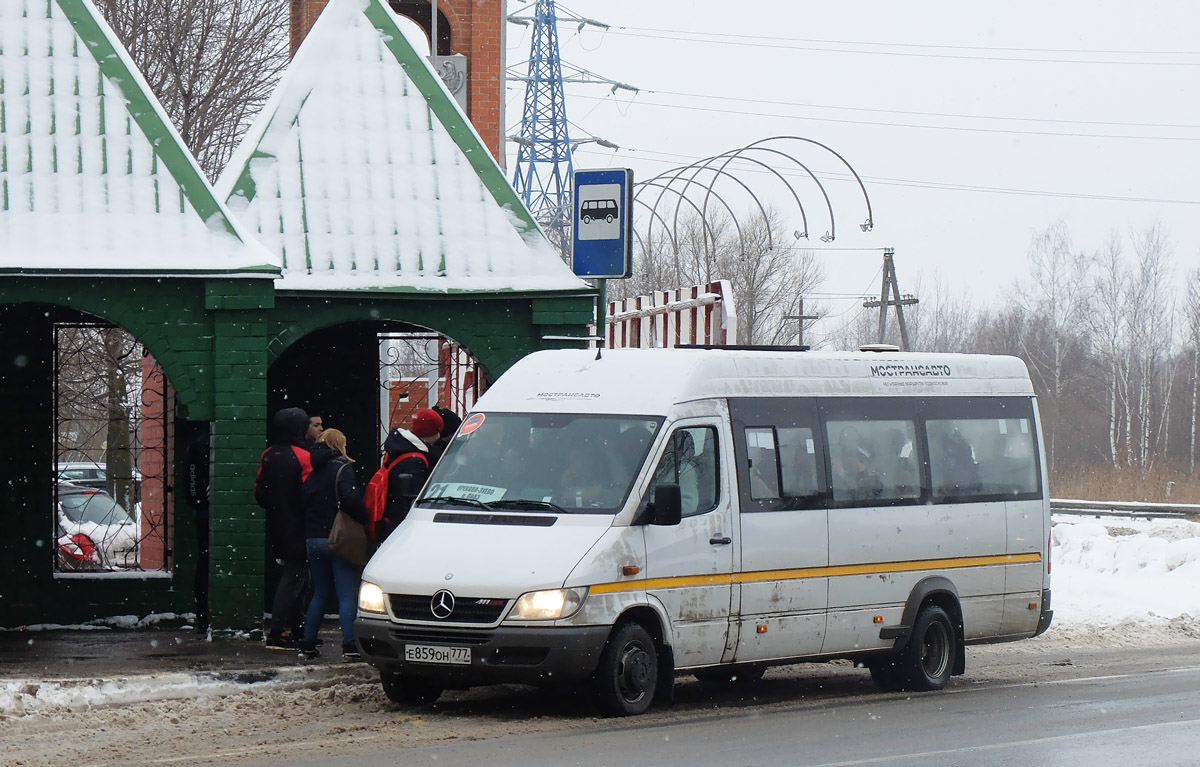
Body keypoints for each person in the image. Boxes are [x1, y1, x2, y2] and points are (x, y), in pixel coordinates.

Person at [298, 428, 367, 662]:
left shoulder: (312, 472)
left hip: (312, 539)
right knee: (346, 594)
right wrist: (363, 518)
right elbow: (351, 500)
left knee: (320, 592)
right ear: (340, 445)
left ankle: (307, 644)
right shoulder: (342, 469)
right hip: (335, 538)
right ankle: (349, 646)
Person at [254, 407, 312, 650]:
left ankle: (297, 628)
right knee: (295, 578)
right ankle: (278, 631)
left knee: (296, 577)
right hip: (300, 526)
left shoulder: (268, 454)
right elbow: (309, 493)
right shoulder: (303, 456)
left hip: (278, 524)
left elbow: (259, 492)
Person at [377, 408, 442, 542]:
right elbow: (414, 497)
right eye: (438, 431)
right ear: (431, 433)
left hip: (390, 520)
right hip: (402, 525)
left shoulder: (400, 448)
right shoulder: (415, 461)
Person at [182, 423, 212, 634]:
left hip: (203, 513)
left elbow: (191, 486)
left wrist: (199, 502)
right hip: (208, 513)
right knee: (207, 563)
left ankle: (204, 617)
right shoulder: (205, 446)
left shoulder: (198, 445)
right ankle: (205, 617)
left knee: (204, 563)